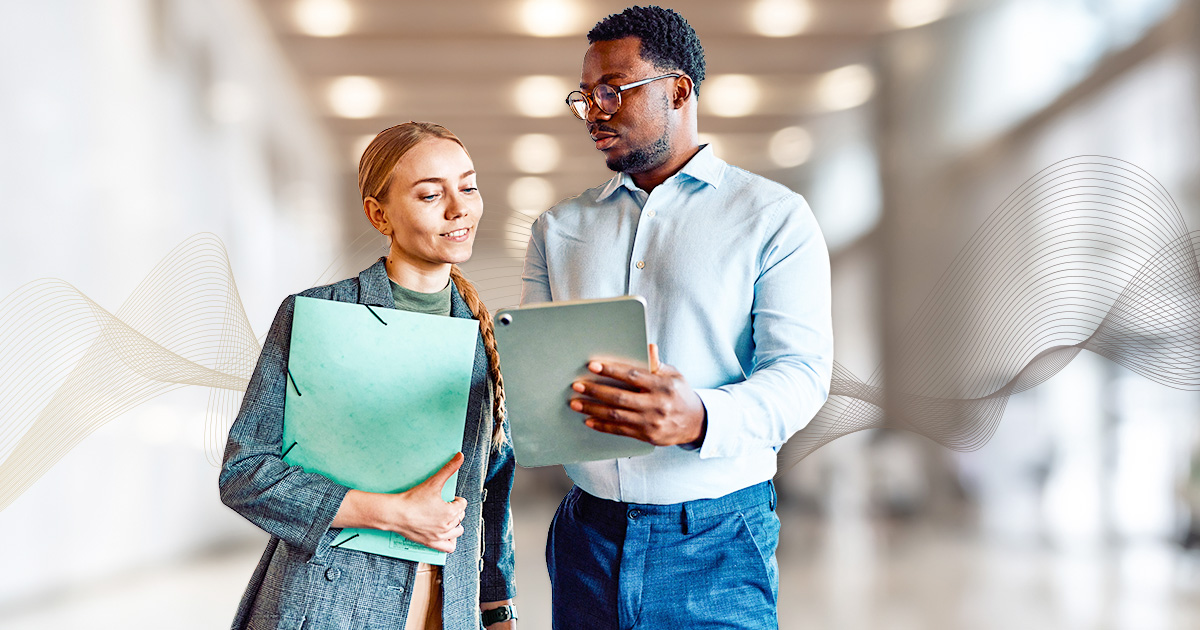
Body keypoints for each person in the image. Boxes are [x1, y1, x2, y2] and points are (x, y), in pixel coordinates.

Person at [521, 6, 833, 629]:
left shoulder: (773, 217)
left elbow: (801, 373)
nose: (595, 113)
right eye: (586, 97)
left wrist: (701, 417)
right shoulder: (559, 228)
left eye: (613, 91)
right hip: (587, 535)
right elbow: (534, 370)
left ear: (679, 90)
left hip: (717, 537)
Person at [221, 122, 518, 630]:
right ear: (379, 214)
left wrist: (498, 608)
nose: (458, 208)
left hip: (447, 608)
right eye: (430, 194)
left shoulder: (485, 338)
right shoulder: (316, 316)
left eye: (467, 187)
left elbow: (491, 489)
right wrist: (389, 513)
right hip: (325, 602)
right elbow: (244, 474)